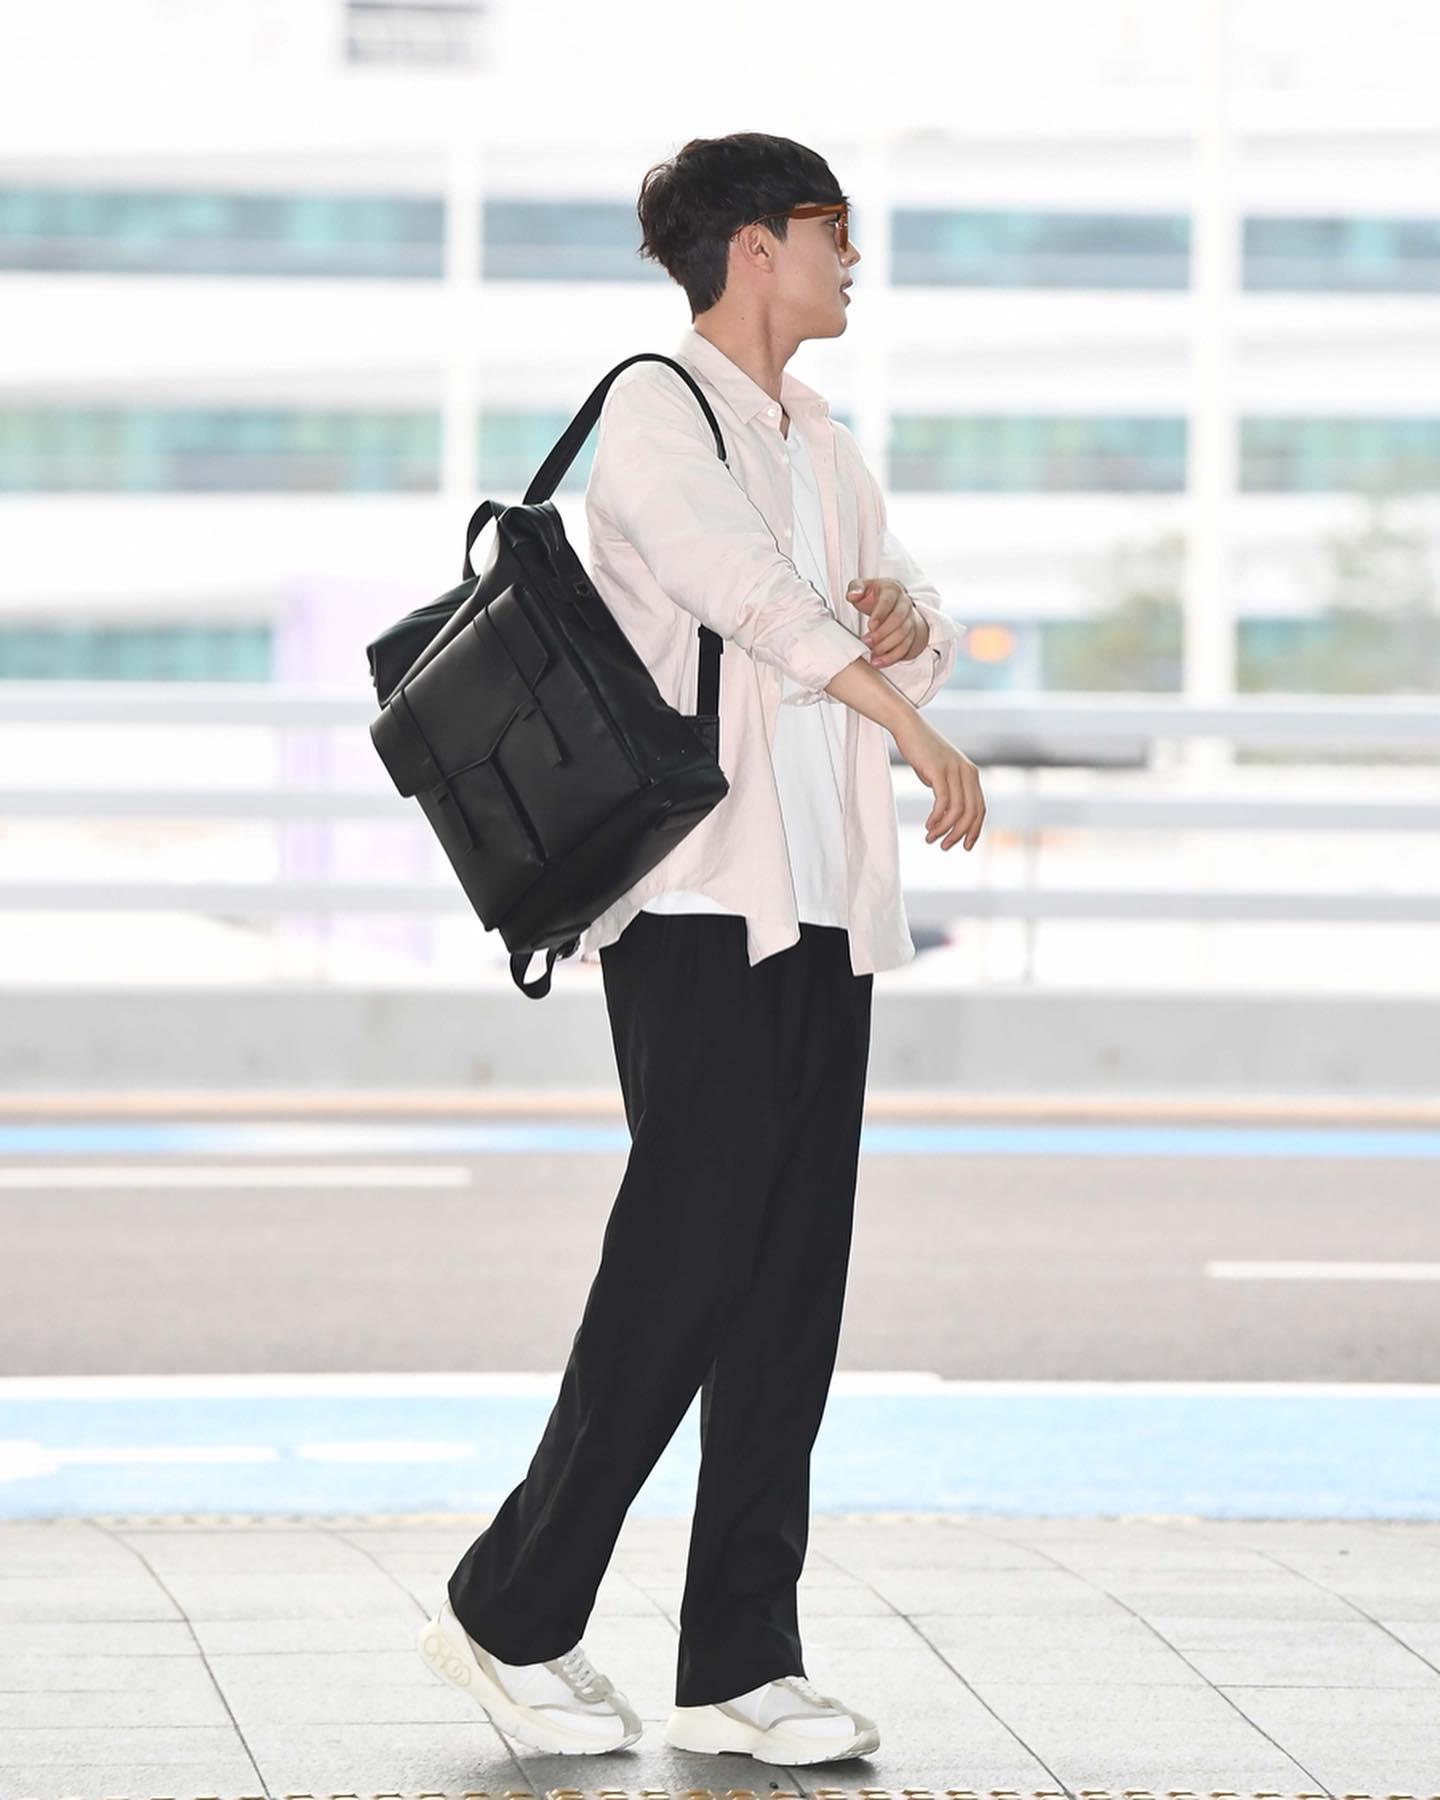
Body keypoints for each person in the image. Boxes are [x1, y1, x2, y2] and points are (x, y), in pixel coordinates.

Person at [416, 131, 986, 1766]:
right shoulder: (661, 413)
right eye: (831, 230)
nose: (850, 259)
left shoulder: (825, 439)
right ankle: (511, 1609)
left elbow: (906, 609)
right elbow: (743, 593)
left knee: (789, 1280)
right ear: (753, 245)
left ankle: (744, 1657)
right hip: (695, 904)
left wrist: (910, 638)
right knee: (682, 1268)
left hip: (819, 904)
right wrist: (897, 710)